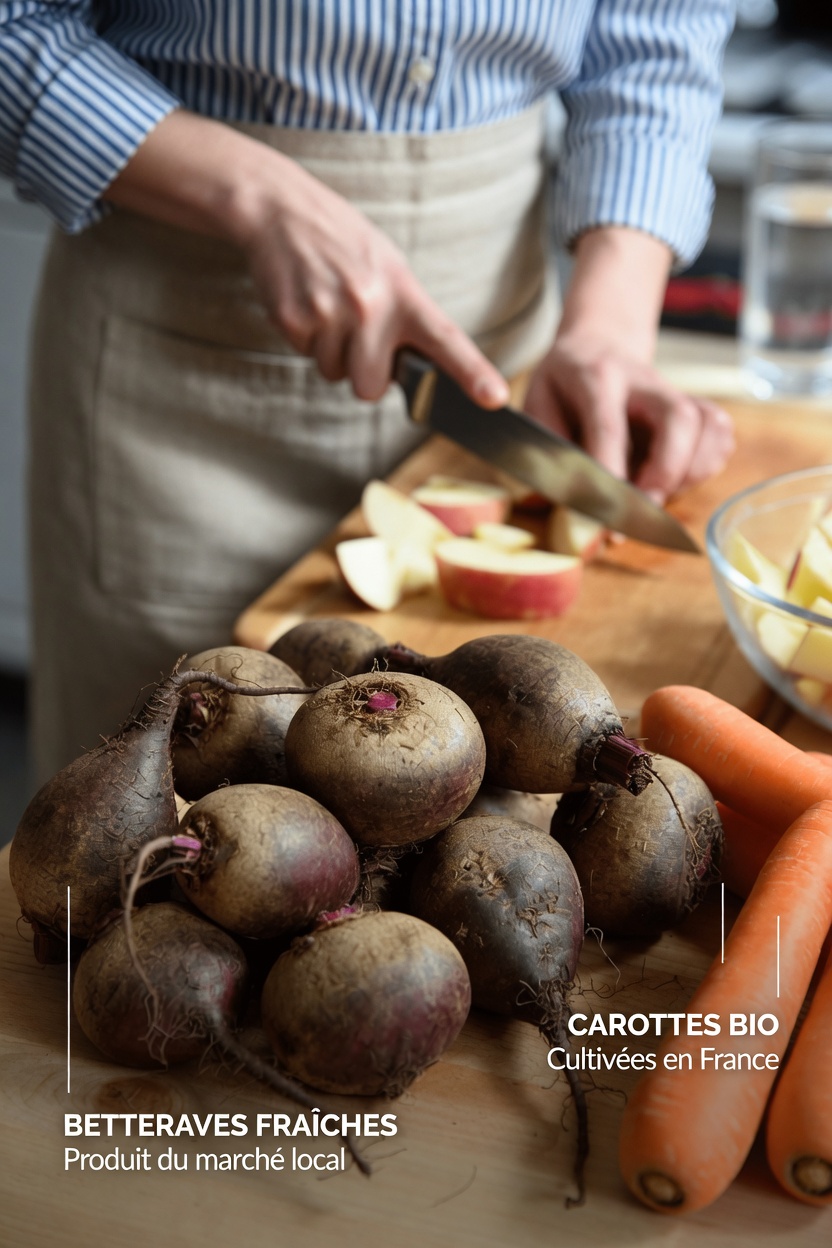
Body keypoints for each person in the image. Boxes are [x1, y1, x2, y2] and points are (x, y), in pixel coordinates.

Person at [0, 1, 736, 782]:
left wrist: (612, 321)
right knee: (149, 807)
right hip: (179, 358)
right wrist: (256, 192)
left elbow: (663, 30)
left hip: (494, 335)